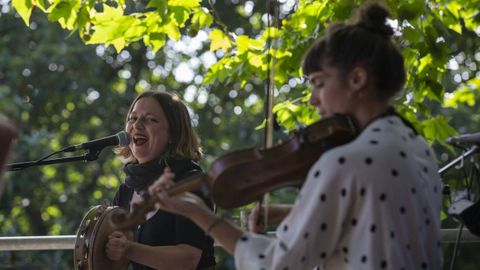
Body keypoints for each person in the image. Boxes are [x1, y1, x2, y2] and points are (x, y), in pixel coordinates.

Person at [147, 2, 443, 270]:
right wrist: (294, 211)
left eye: (318, 83)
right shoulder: (416, 146)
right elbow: (379, 218)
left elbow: (276, 264)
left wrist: (200, 215)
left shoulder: (344, 162)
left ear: (357, 79)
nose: (313, 99)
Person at [105, 91, 216, 270]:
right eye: (132, 119)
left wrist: (128, 249)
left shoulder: (192, 182)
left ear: (173, 133)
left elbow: (188, 260)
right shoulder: (126, 189)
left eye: (150, 120)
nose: (137, 125)